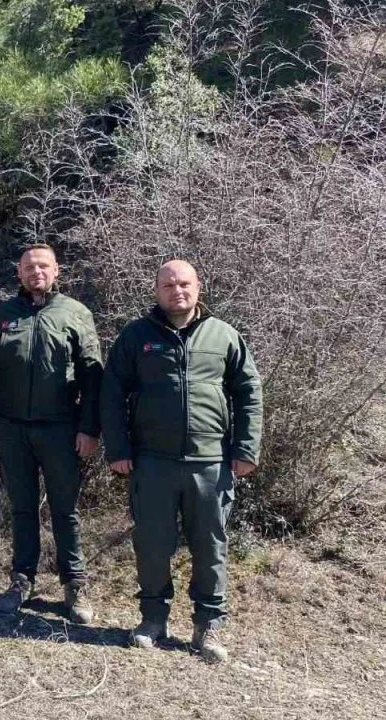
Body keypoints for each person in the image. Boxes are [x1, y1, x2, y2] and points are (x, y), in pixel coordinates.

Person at [101, 260, 263, 663]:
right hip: (152, 462)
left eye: (184, 283)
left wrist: (245, 449)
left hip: (211, 463)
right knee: (153, 545)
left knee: (211, 547)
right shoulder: (136, 336)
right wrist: (118, 449)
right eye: (168, 284)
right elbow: (111, 393)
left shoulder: (224, 335)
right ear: (156, 291)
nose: (177, 290)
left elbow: (249, 393)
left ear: (198, 287)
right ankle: (153, 620)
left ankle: (207, 626)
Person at [0, 244, 103, 623]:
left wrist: (89, 428)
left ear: (56, 271)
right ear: (20, 273)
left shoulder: (76, 314)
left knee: (66, 510)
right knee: (22, 507)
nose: (36, 272)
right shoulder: (4, 315)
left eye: (43, 266)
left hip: (61, 429)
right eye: (29, 267)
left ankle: (74, 583)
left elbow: (93, 377)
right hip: (11, 427)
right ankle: (20, 579)